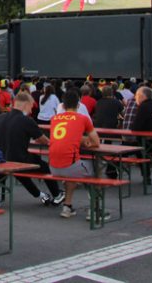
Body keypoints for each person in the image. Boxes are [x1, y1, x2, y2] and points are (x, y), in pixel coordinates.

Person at [0, 91, 62, 207]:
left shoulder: (0, 117)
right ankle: (57, 194)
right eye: (31, 106)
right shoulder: (26, 120)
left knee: (18, 172)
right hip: (19, 159)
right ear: (25, 104)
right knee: (44, 167)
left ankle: (40, 195)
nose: (31, 110)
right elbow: (43, 140)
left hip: (1, 157)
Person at [48, 90, 101, 219]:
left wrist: (79, 140)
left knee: (72, 173)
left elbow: (65, 136)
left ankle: (67, 206)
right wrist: (87, 143)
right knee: (96, 171)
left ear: (63, 105)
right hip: (70, 165)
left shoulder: (54, 119)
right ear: (78, 105)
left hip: (53, 166)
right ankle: (95, 210)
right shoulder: (82, 118)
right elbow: (96, 142)